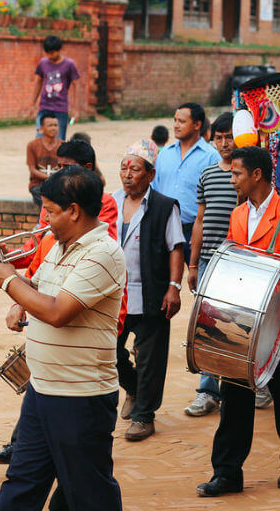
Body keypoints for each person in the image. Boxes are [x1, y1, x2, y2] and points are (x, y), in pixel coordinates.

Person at [0, 166, 125, 511]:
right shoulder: (61, 246)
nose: (44, 219)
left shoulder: (103, 253)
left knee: (89, 493)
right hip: (42, 390)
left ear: (73, 211)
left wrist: (7, 282)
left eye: (50, 211)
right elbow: (40, 290)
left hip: (80, 397)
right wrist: (13, 283)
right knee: (22, 483)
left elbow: (59, 312)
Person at [196, 146, 280, 497]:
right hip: (244, 323)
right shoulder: (238, 216)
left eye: (235, 174)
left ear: (256, 176)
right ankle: (227, 472)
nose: (231, 179)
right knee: (234, 395)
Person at [113, 139, 185, 441]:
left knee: (150, 359)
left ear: (151, 175)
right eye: (124, 168)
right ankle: (132, 386)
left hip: (152, 292)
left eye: (136, 169)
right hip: (115, 296)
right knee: (112, 353)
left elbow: (175, 247)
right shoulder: (110, 202)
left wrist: (174, 287)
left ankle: (144, 415)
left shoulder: (165, 206)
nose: (128, 174)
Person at [185, 113, 238, 417]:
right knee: (207, 325)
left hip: (238, 262)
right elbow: (199, 222)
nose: (223, 143)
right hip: (208, 261)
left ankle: (242, 385)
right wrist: (193, 265)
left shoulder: (247, 172)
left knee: (238, 324)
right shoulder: (207, 175)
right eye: (218, 137)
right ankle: (207, 391)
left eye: (228, 136)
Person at [152, 103, 221, 263]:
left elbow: (215, 200)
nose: (176, 125)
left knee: (198, 280)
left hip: (195, 231)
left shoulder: (211, 157)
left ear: (197, 125)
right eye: (175, 120)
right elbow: (154, 189)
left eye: (182, 121)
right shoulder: (164, 155)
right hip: (165, 228)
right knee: (162, 281)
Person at [30, 35, 80, 141]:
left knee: (59, 141)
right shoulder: (43, 63)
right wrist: (32, 104)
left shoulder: (69, 64)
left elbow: (76, 86)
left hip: (60, 108)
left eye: (52, 53)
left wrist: (76, 109)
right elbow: (38, 83)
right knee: (40, 138)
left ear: (59, 50)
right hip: (44, 107)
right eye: (47, 53)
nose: (50, 56)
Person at [27, 114, 63, 207]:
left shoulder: (63, 145)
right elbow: (32, 169)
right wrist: (49, 177)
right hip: (38, 184)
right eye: (50, 125)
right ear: (42, 128)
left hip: (58, 184)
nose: (53, 128)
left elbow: (65, 168)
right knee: (46, 200)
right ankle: (45, 220)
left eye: (56, 125)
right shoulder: (32, 145)